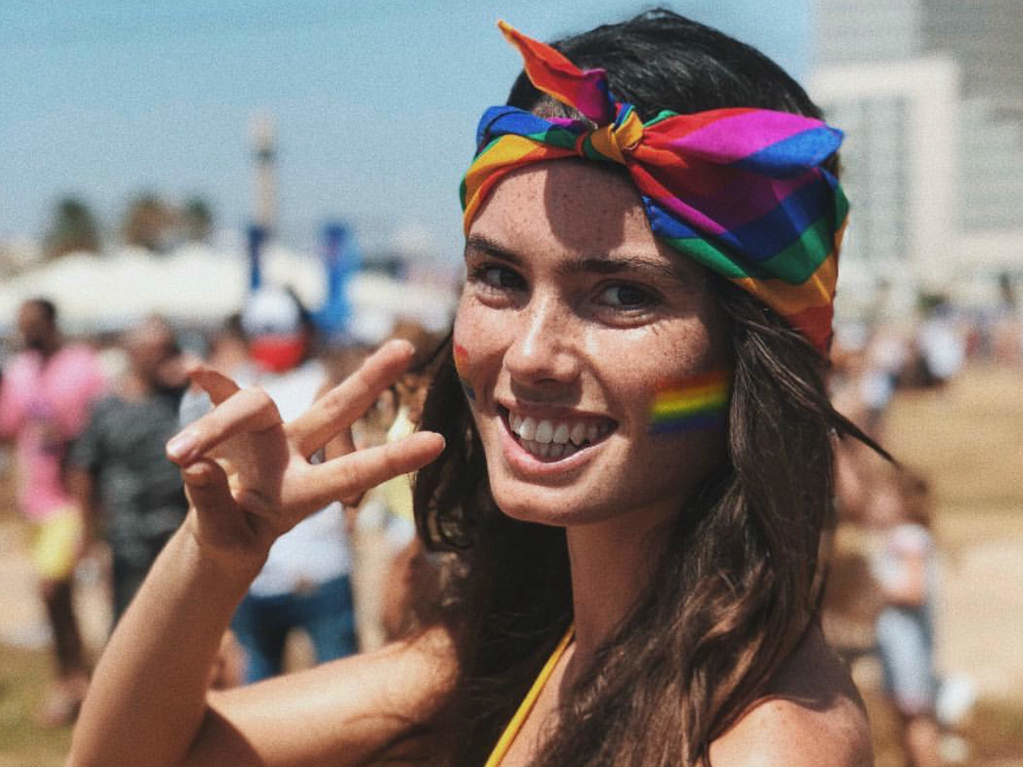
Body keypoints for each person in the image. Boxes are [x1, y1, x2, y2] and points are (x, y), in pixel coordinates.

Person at [70, 11, 882, 764]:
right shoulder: (522, 646)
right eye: (498, 276)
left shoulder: (764, 742)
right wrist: (215, 556)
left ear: (759, 351)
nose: (530, 355)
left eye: (624, 294)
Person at [178, 286, 359, 682]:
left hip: (257, 567)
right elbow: (350, 486)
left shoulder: (229, 391)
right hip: (316, 567)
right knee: (340, 692)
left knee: (257, 692)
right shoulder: (319, 386)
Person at [0, 298, 106, 725]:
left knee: (53, 586)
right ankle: (72, 678)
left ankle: (79, 679)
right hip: (36, 499)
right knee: (55, 599)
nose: (27, 332)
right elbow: (8, 426)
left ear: (51, 323)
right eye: (21, 325)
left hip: (73, 498)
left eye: (33, 324)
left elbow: (99, 426)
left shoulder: (82, 366)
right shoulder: (22, 370)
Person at [67, 315, 190, 626]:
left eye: (167, 348)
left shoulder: (184, 402)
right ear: (132, 352)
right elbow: (83, 469)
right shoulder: (106, 408)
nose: (161, 357)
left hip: (178, 531)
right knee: (130, 620)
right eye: (153, 349)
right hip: (128, 535)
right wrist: (87, 533)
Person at [868, 466, 942, 766]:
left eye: (882, 497)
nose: (876, 504)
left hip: (907, 647)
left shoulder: (908, 538)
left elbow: (914, 590)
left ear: (901, 500)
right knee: (905, 717)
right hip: (898, 644)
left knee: (916, 718)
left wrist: (873, 588)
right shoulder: (904, 537)